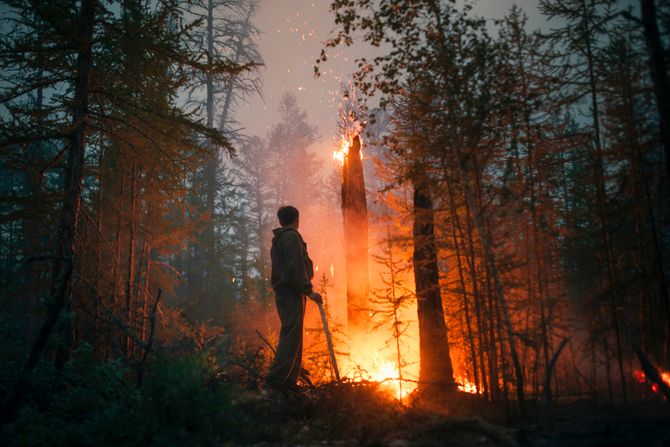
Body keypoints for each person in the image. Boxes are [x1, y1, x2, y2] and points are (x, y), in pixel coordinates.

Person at [265, 205, 322, 392]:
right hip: (291, 292)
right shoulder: (291, 237)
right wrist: (307, 290)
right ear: (296, 219)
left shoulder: (280, 239)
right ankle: (276, 381)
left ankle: (288, 382)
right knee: (291, 335)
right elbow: (295, 266)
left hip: (286, 292)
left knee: (293, 334)